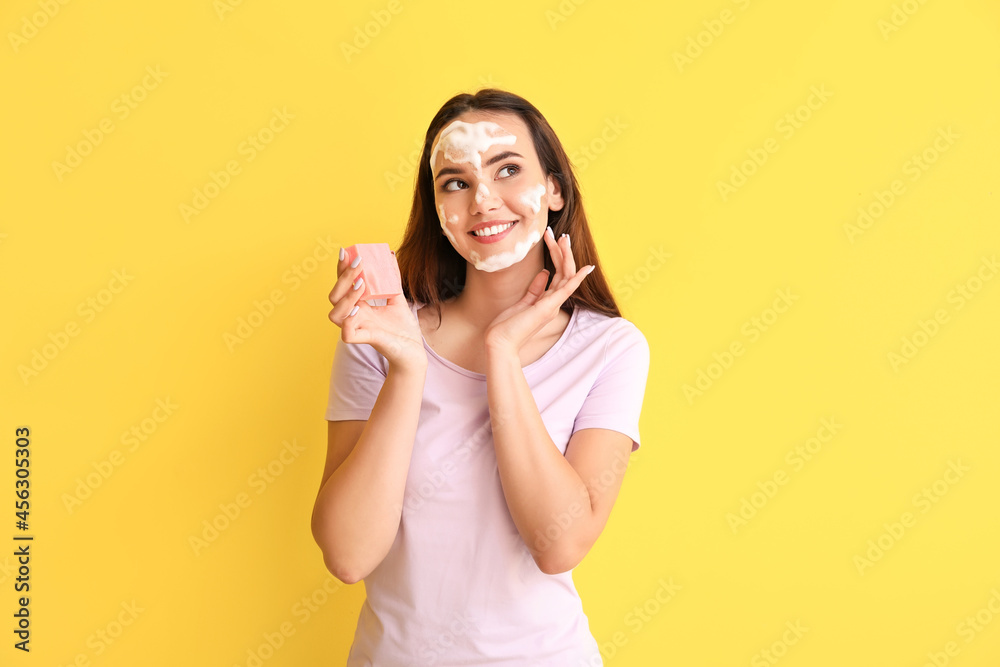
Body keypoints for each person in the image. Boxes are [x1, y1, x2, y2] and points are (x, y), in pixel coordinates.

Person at [312, 88, 650, 666]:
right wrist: (408, 367)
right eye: (456, 182)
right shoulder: (382, 340)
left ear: (555, 190)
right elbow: (348, 555)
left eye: (508, 169)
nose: (483, 200)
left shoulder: (610, 348)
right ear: (438, 209)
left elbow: (559, 543)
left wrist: (502, 354)